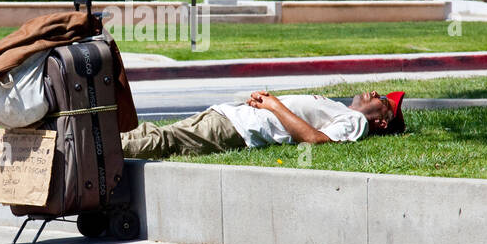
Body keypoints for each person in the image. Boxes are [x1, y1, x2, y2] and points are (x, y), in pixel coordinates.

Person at [121, 89, 405, 160]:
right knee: (155, 134)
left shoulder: (356, 122)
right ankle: (87, 143)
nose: (375, 94)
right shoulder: (343, 110)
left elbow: (316, 140)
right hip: (228, 116)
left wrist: (273, 104)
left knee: (161, 141)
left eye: (384, 101)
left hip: (236, 129)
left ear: (381, 122)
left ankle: (88, 152)